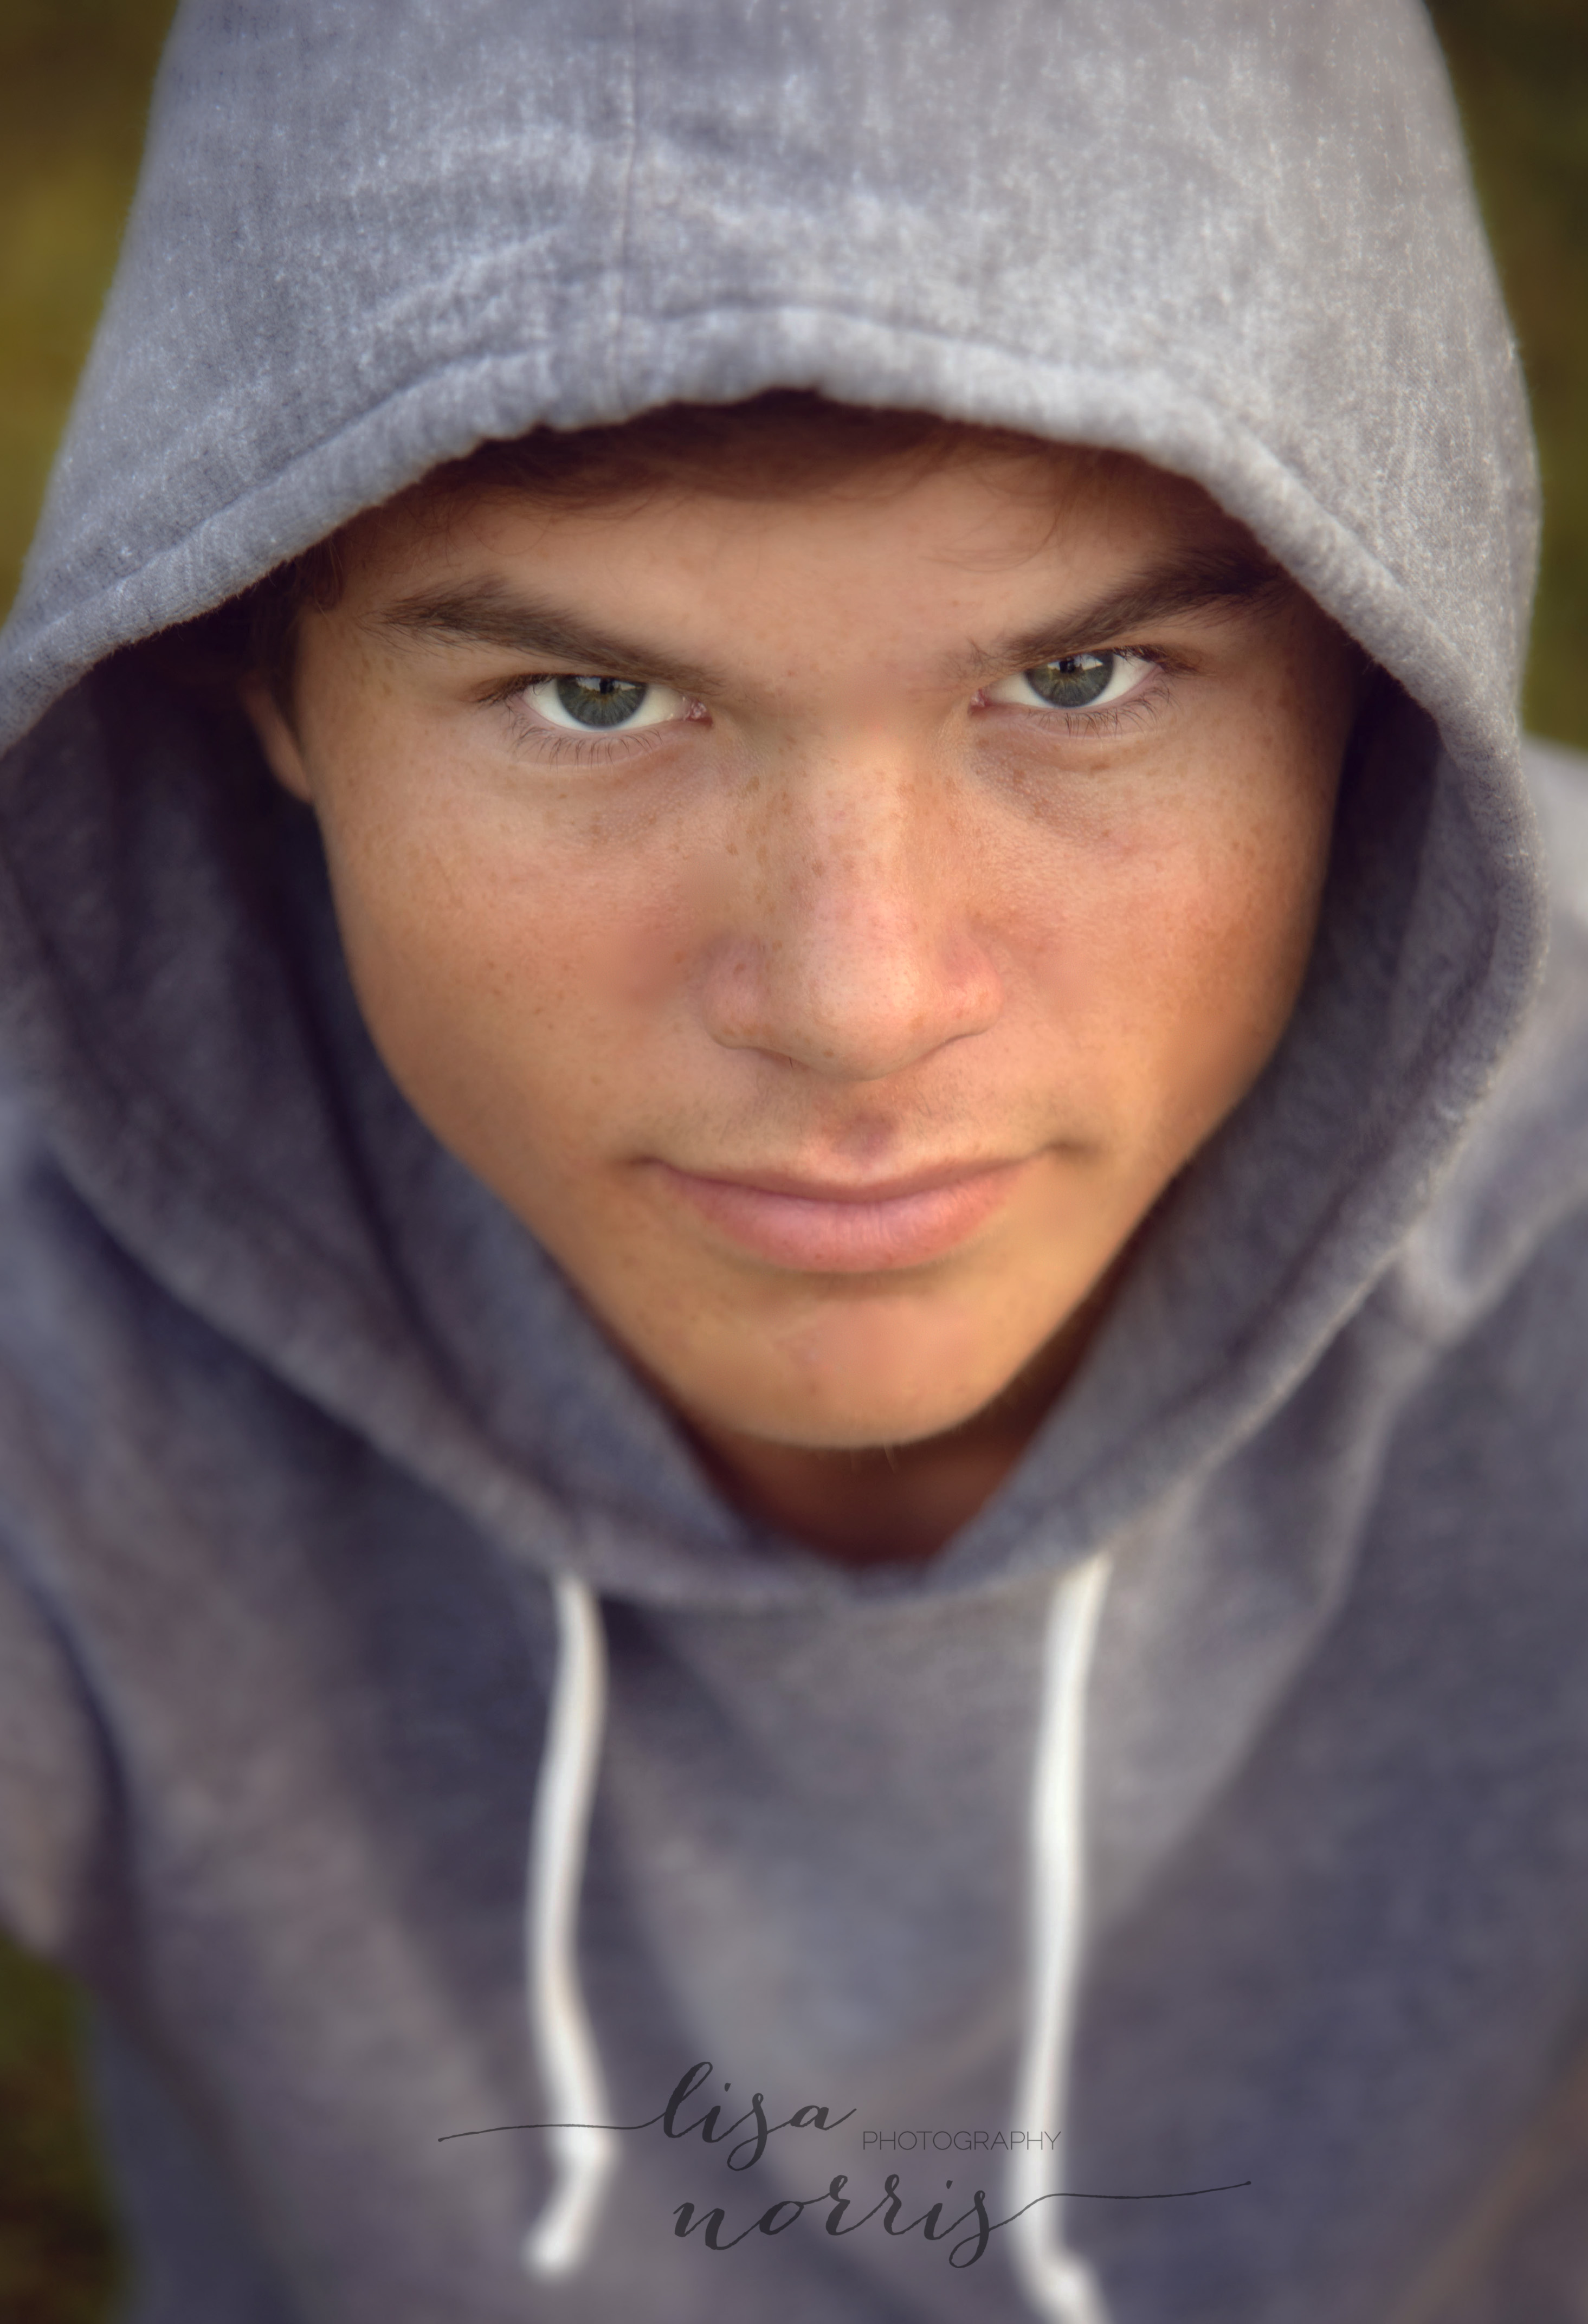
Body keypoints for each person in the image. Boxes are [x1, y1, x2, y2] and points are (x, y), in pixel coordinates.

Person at [1, 1, 1585, 2319]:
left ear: (1368, 673)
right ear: (266, 693)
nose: (855, 997)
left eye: (1078, 684)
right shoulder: (56, 1271)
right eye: (595, 699)